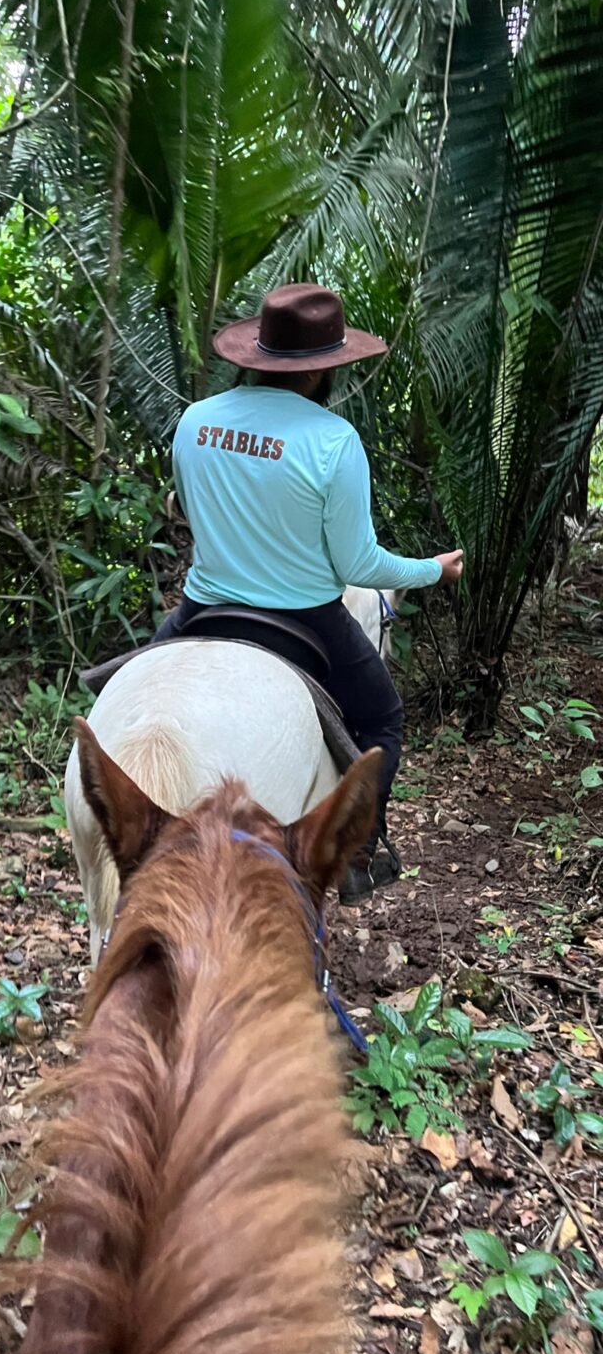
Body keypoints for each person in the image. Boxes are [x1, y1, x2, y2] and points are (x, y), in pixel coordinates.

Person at [156, 282, 464, 905]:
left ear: (254, 354)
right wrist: (434, 570)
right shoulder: (333, 441)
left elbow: (194, 510)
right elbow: (357, 561)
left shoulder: (195, 420)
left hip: (203, 608)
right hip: (305, 619)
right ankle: (355, 854)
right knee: (382, 721)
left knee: (124, 691)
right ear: (325, 369)